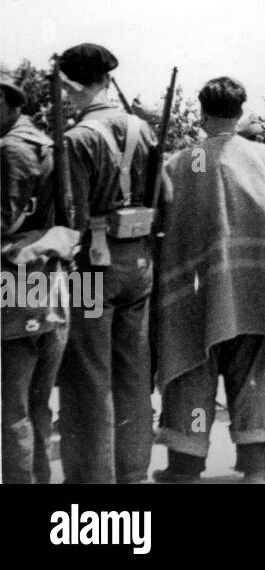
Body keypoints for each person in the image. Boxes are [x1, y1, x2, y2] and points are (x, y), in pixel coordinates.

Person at [152, 77, 265, 483]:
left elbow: (165, 230)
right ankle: (257, 465)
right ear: (241, 112)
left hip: (198, 292)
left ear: (203, 113)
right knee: (253, 375)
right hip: (256, 290)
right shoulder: (264, 158)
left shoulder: (182, 162)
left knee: (193, 371)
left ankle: (186, 465)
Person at [56, 43, 158, 484]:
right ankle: (132, 470)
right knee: (133, 369)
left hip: (92, 268)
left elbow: (72, 218)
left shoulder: (77, 138)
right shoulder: (142, 128)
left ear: (74, 84)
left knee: (88, 372)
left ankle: (92, 476)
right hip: (138, 263)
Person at [2, 71, 74, 484]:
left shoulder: (10, 148)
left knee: (11, 409)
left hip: (15, 283)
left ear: (12, 103)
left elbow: (5, 219)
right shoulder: (43, 142)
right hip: (49, 281)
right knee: (36, 404)